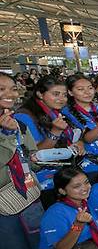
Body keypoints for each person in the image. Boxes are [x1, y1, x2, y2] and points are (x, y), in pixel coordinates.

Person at [0, 74, 53, 249]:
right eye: (1, 89)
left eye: (11, 88)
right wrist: (8, 139)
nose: (8, 93)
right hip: (3, 200)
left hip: (27, 192)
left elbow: (31, 154)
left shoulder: (15, 123)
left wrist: (18, 136)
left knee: (33, 239)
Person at [15, 76, 84, 208]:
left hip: (63, 176)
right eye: (55, 94)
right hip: (43, 182)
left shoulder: (59, 112)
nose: (61, 99)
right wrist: (55, 132)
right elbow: (34, 154)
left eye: (64, 95)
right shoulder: (24, 117)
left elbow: (79, 132)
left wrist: (80, 142)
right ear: (40, 94)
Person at [62, 74, 98, 178]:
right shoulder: (66, 114)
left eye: (90, 88)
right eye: (80, 89)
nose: (87, 92)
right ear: (70, 92)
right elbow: (87, 139)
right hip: (88, 165)